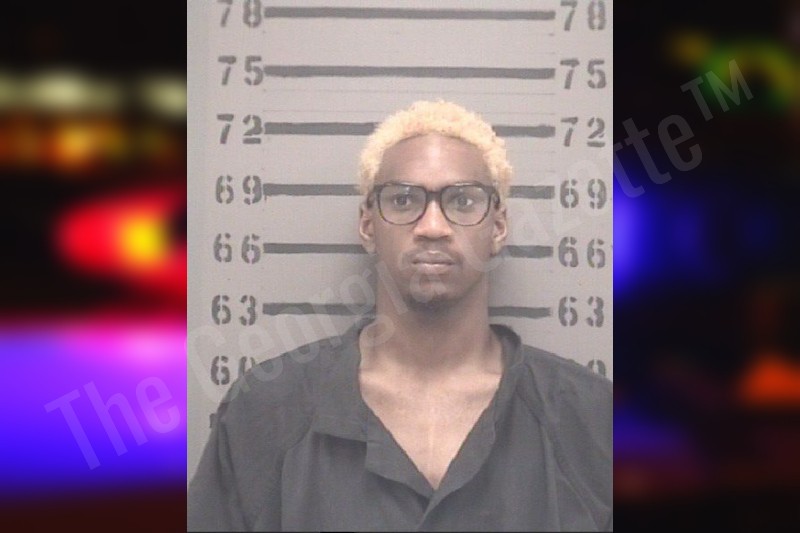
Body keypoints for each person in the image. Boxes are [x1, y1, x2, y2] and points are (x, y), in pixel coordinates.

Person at [188, 100, 612, 531]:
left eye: (463, 200)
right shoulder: (264, 414)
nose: (433, 227)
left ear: (498, 226)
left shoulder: (594, 421)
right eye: (404, 200)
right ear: (368, 225)